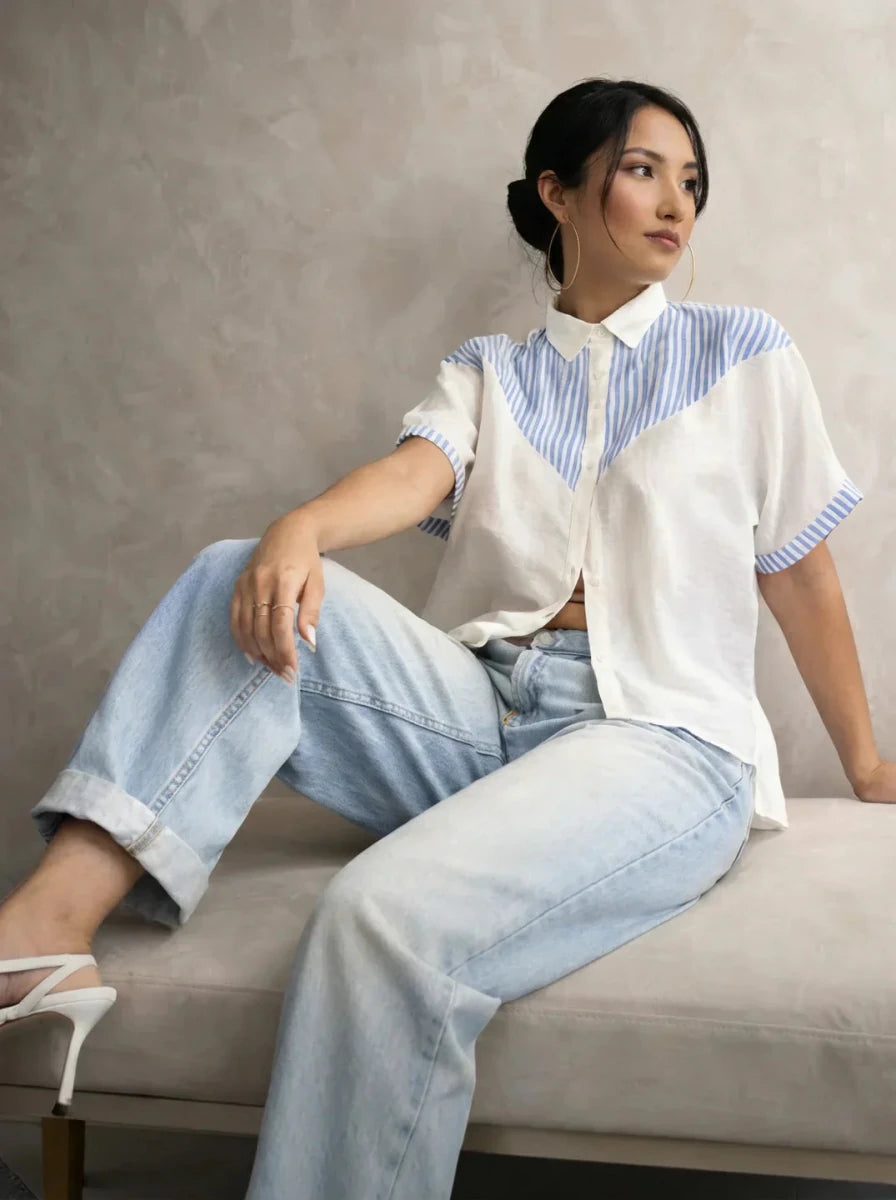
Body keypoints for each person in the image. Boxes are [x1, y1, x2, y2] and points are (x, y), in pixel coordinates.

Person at [0, 76, 869, 1200]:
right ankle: (41, 936)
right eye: (642, 169)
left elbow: (795, 566)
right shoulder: (490, 372)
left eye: (690, 182)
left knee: (379, 918)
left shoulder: (741, 353)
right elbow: (414, 480)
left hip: (656, 739)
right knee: (239, 569)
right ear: (556, 192)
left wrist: (865, 761)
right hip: (476, 714)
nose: (675, 204)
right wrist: (298, 525)